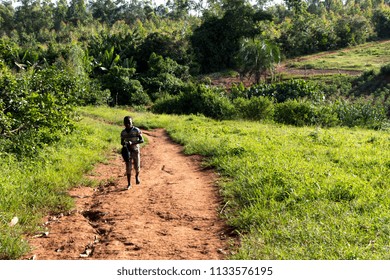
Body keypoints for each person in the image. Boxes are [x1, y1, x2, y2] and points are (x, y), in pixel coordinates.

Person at [120, 116, 144, 190]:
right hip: (128, 151)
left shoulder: (136, 130)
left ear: (131, 122)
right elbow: (121, 142)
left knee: (137, 166)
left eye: (129, 122)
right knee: (128, 168)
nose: (127, 124)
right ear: (124, 123)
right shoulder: (123, 132)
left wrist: (132, 143)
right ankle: (129, 184)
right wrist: (125, 144)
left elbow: (142, 140)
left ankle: (137, 176)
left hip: (135, 150)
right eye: (126, 123)